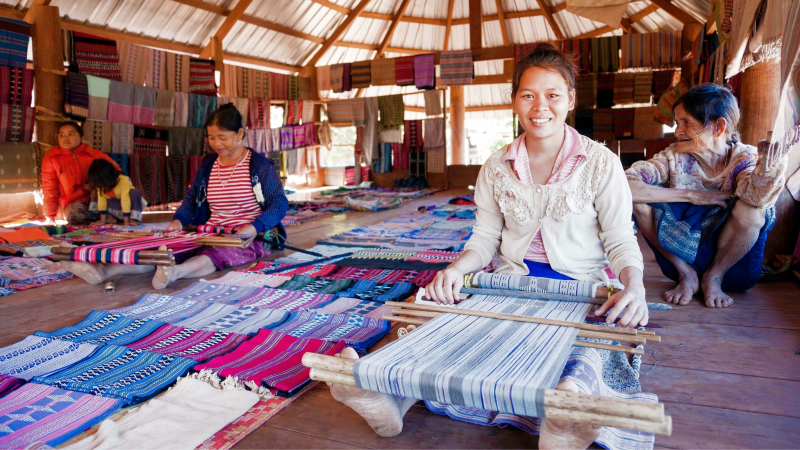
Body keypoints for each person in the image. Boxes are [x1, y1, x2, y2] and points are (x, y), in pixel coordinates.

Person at [327, 44, 652, 450]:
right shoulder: (497, 167)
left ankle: (565, 413)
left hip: (581, 287)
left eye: (553, 94)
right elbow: (483, 239)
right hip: (509, 284)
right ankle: (388, 397)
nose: (540, 106)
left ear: (570, 98)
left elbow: (620, 237)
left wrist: (633, 286)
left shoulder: (601, 163)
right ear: (514, 99)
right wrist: (457, 270)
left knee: (591, 341)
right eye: (529, 94)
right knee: (442, 319)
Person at [61, 103, 288, 289]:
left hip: (248, 236)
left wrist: (255, 227)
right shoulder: (209, 165)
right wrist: (179, 221)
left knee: (217, 253)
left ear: (239, 133)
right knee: (169, 247)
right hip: (208, 230)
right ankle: (105, 270)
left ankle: (175, 273)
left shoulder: (259, 166)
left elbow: (279, 203)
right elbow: (190, 200)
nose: (216, 144)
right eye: (211, 137)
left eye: (223, 137)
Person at [626, 84, 787, 308]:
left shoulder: (744, 159)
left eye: (687, 123)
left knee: (751, 210)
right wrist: (692, 195)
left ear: (718, 127)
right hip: (682, 259)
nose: (678, 131)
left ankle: (714, 277)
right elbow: (625, 185)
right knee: (638, 202)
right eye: (677, 123)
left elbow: (757, 199)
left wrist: (768, 174)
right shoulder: (673, 157)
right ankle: (687, 275)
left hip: (734, 266)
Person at [41, 121, 122, 224]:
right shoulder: (52, 158)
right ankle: (107, 218)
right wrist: (50, 216)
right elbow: (49, 187)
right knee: (75, 215)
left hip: (100, 198)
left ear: (82, 137)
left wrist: (97, 184)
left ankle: (106, 217)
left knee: (127, 204)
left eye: (71, 134)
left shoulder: (93, 154)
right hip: (74, 203)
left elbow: (116, 171)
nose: (66, 138)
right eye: (61, 135)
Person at [86, 159, 146, 226]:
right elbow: (102, 202)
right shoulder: (101, 185)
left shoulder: (123, 181)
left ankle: (133, 220)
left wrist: (126, 222)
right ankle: (108, 218)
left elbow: (125, 201)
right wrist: (102, 221)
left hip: (126, 209)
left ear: (107, 178)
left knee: (135, 193)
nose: (100, 186)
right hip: (113, 209)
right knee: (95, 193)